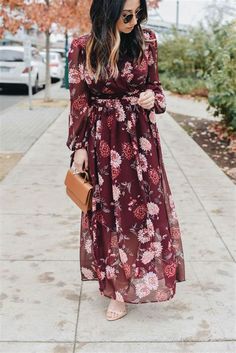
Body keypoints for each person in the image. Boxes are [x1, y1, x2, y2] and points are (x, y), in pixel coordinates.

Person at [66, 0, 186, 321]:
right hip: (102, 142)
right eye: (127, 15)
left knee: (141, 213)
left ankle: (131, 279)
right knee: (108, 214)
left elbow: (156, 88)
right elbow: (79, 100)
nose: (135, 21)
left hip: (141, 140)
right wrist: (78, 147)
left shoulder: (147, 42)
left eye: (139, 14)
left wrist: (152, 98)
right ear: (107, 13)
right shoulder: (83, 47)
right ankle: (117, 289)